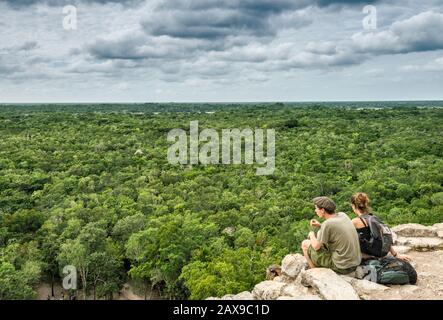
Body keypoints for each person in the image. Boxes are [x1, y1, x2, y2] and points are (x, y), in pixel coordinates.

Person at [301, 196, 362, 274]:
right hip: (355, 263)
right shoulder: (343, 215)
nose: (315, 211)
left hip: (342, 267)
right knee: (320, 233)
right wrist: (320, 225)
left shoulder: (327, 224)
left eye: (316, 208)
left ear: (323, 210)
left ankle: (315, 273)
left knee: (305, 244)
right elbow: (337, 228)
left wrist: (311, 234)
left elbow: (316, 247)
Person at [350, 192, 411, 261]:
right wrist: (395, 255)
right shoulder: (373, 218)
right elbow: (383, 237)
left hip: (368, 254)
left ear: (353, 206)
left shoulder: (354, 221)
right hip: (379, 252)